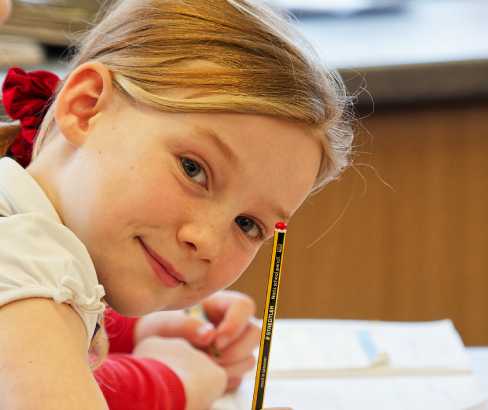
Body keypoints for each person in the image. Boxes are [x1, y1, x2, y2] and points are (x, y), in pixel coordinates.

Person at [0, 0, 353, 409]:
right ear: (86, 108)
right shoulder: (24, 272)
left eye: (247, 224)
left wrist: (136, 329)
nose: (206, 241)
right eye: (193, 169)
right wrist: (176, 383)